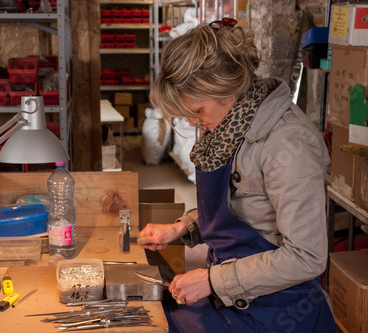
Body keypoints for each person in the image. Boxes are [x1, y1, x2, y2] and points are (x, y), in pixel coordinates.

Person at [138, 18, 336, 332]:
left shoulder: (288, 143)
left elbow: (307, 257)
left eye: (197, 111)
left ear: (225, 92)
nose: (192, 123)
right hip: (234, 298)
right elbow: (241, 210)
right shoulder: (231, 127)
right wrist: (181, 228)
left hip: (278, 311)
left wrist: (212, 281)